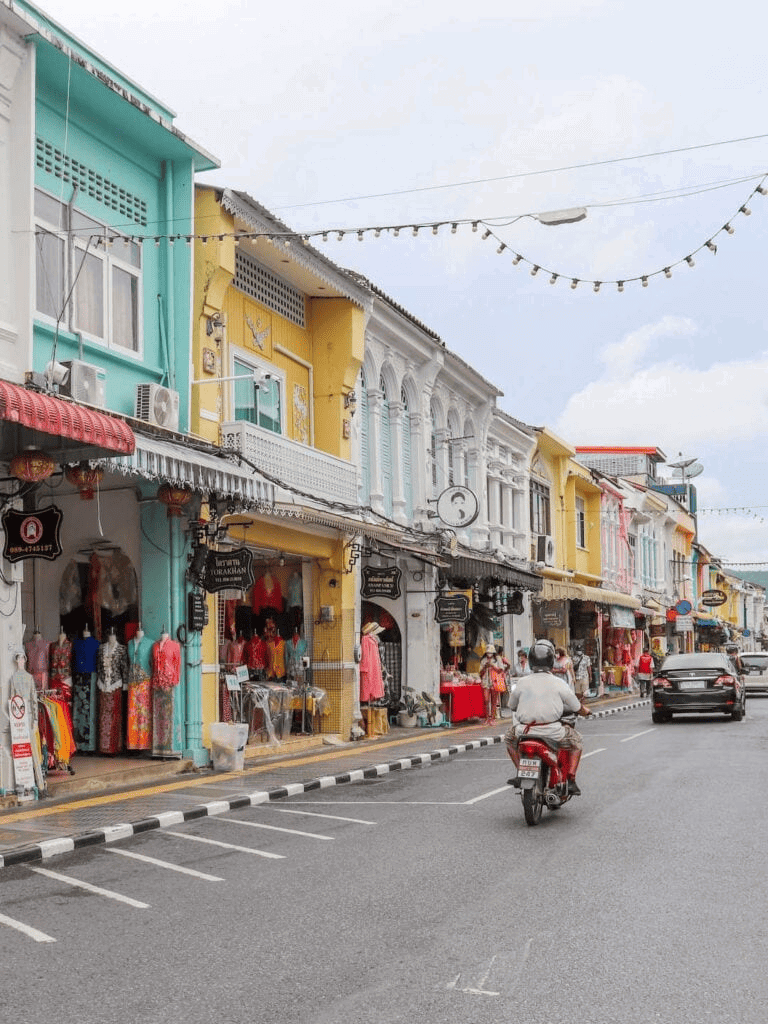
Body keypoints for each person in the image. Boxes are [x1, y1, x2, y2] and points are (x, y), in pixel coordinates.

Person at [505, 638, 591, 796]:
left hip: (524, 731)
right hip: (552, 732)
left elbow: (511, 705)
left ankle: (519, 770)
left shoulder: (522, 682)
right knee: (577, 741)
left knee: (508, 739)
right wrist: (586, 711)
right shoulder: (558, 683)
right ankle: (571, 779)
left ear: (531, 660)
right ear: (552, 660)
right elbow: (577, 707)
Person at [479, 644, 510, 723]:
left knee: (494, 701)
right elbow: (480, 673)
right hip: (486, 681)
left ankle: (492, 718)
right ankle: (487, 718)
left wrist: (493, 666)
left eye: (490, 652)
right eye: (488, 652)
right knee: (486, 700)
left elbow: (500, 670)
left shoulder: (497, 659)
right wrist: (485, 667)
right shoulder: (483, 660)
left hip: (494, 681)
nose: (489, 654)